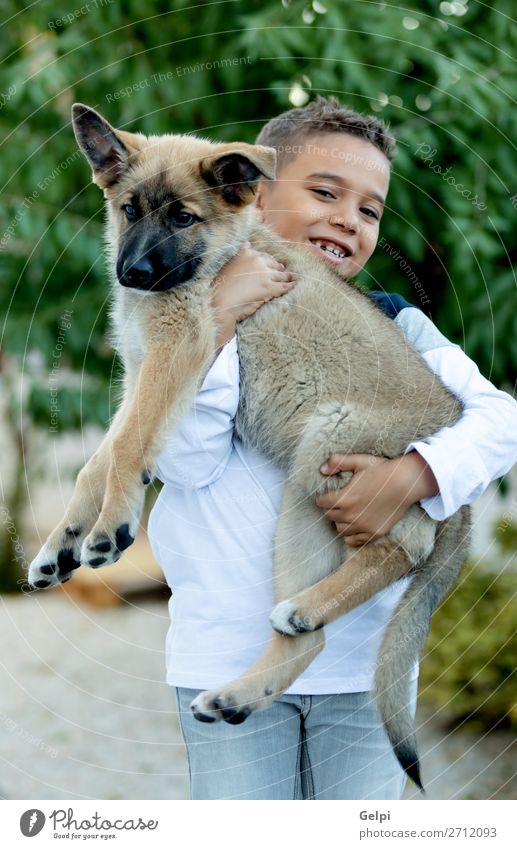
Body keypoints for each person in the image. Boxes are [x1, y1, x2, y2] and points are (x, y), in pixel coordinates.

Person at [147, 96, 517, 800]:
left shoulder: (392, 324)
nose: (348, 217)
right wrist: (219, 314)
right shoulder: (178, 309)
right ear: (249, 192)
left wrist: (413, 474)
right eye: (324, 192)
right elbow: (184, 460)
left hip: (356, 662)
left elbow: (499, 418)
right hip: (224, 656)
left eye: (370, 209)